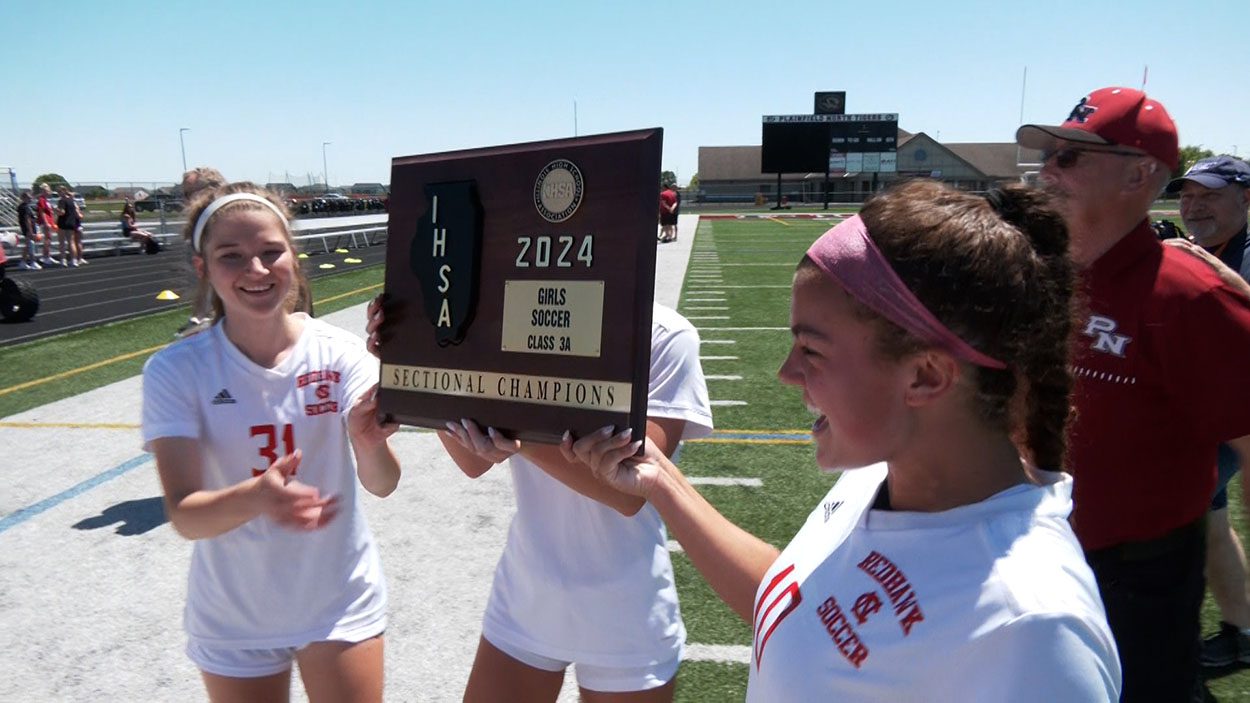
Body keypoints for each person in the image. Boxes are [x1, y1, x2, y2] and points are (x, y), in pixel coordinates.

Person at [569, 180, 1121, 701]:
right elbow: (799, 602)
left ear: (927, 376)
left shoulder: (1034, 626)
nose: (786, 372)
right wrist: (665, 483)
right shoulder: (884, 477)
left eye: (811, 350)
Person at [1016, 87, 1250, 702]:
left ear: (1140, 174)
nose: (1048, 171)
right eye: (1049, 156)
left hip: (1136, 575)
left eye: (1069, 158)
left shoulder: (1191, 297)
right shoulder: (1044, 272)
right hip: (1035, 553)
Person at [365, 300, 713, 702]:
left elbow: (631, 490)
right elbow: (472, 462)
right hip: (527, 595)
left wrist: (518, 432)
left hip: (626, 612)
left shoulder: (666, 334)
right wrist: (414, 355)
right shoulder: (511, 313)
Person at [141, 182, 402, 702]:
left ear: (293, 257)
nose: (256, 270)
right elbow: (187, 516)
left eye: (269, 252)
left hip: (338, 600)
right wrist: (259, 497)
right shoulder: (176, 371)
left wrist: (367, 441)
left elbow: (383, 483)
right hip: (235, 615)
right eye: (231, 256)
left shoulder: (340, 354)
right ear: (203, 269)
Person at [1166, 155, 1250, 668]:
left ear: (1246, 199)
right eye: (1188, 197)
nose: (1194, 207)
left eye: (1210, 196)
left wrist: (1212, 271)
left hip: (1235, 421)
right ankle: (1242, 634)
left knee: (1168, 520)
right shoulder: (1201, 245)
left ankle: (1155, 639)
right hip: (1204, 414)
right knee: (1211, 522)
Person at [56, 186, 84, 267]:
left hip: (63, 223)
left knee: (62, 243)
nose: (59, 193)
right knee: (71, 242)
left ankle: (63, 260)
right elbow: (76, 213)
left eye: (59, 191)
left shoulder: (61, 201)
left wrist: (55, 209)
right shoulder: (72, 201)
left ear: (64, 191)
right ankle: (74, 260)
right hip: (71, 223)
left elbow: (62, 212)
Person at [16, 190, 42, 270]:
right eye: (28, 197)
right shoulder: (25, 207)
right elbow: (27, 220)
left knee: (28, 245)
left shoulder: (24, 206)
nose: (30, 198)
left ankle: (23, 262)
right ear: (24, 198)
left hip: (28, 229)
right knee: (31, 245)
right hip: (28, 229)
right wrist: (30, 231)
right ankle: (33, 262)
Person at [35, 183, 57, 266]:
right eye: (47, 191)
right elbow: (42, 212)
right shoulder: (41, 200)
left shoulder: (46, 200)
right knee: (47, 240)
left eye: (49, 190)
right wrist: (46, 222)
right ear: (43, 191)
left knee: (49, 239)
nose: (49, 192)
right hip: (45, 222)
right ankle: (45, 257)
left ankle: (48, 256)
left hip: (49, 222)